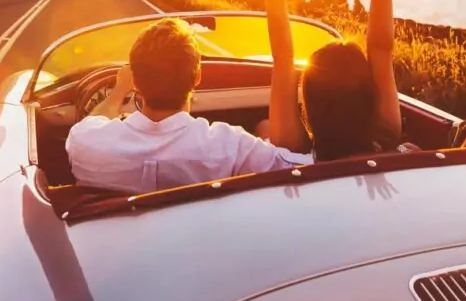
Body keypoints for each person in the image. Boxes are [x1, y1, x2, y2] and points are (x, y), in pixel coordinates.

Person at [65, 17, 313, 194]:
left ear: (136, 82)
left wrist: (117, 93)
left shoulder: (84, 142)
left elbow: (91, 123)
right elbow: (304, 168)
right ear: (197, 77)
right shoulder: (229, 147)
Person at [263, 0, 416, 161]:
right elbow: (380, 49)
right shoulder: (386, 133)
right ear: (370, 95)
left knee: (262, 127)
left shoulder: (294, 148)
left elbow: (283, 57)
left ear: (310, 101)